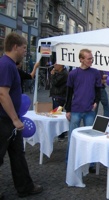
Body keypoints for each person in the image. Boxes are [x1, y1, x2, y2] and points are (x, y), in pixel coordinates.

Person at [0, 32, 43, 199]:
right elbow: (2, 94)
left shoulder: (11, 65)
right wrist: (15, 119)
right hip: (5, 120)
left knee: (18, 155)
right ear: (15, 47)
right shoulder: (6, 65)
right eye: (24, 48)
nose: (26, 51)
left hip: (10, 120)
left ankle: (25, 187)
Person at [64, 49, 101, 170]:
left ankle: (91, 163)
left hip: (89, 110)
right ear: (81, 59)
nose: (91, 60)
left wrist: (96, 101)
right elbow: (69, 93)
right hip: (75, 109)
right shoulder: (73, 74)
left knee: (91, 137)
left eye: (92, 58)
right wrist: (68, 110)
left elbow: (98, 90)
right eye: (89, 58)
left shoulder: (95, 73)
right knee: (72, 137)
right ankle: (69, 160)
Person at [50, 62, 68, 141]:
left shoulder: (63, 74)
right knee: (58, 114)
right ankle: (62, 133)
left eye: (56, 64)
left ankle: (60, 134)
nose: (54, 65)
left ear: (61, 65)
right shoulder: (61, 73)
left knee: (57, 115)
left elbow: (55, 83)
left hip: (59, 97)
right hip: (58, 96)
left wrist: (53, 75)